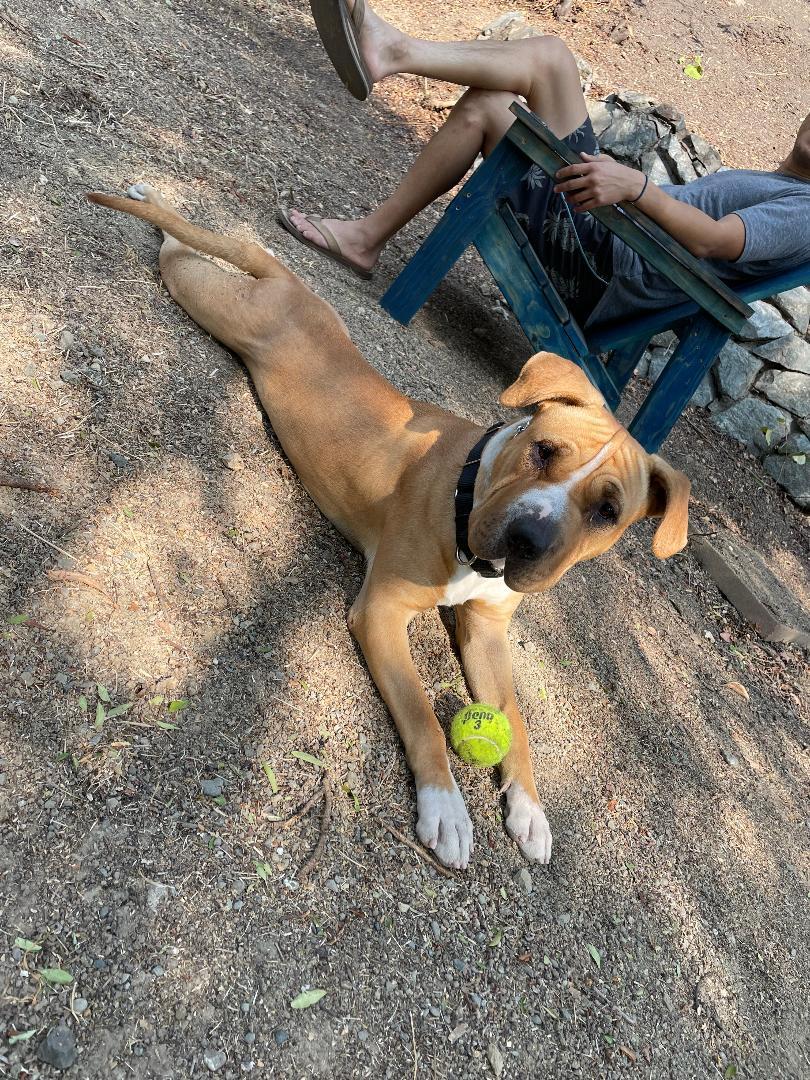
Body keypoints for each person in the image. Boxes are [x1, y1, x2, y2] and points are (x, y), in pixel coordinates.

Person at [278, 0, 810, 329]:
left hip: (602, 267)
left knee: (490, 107)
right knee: (549, 58)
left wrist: (637, 189)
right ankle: (390, 53)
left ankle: (367, 228)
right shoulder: (781, 183)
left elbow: (714, 242)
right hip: (610, 233)